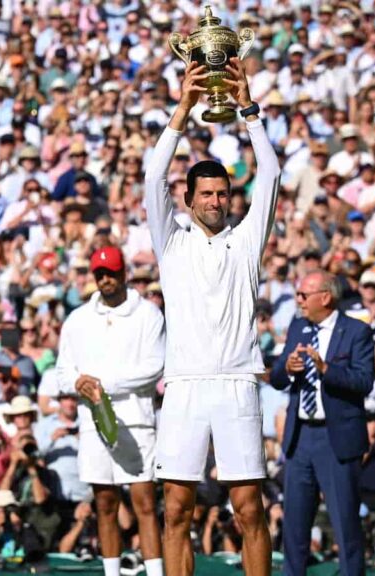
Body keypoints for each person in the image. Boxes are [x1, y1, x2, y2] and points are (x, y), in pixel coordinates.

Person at [143, 57, 279, 576]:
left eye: (223, 193)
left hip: (238, 382)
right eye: (207, 194)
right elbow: (154, 173)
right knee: (176, 508)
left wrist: (248, 107)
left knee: (249, 510)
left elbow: (270, 172)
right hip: (184, 386)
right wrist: (182, 108)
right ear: (189, 199)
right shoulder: (170, 240)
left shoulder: (247, 241)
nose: (217, 201)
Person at [55, 244, 165, 576]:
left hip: (137, 421)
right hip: (92, 423)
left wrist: (104, 384)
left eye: (111, 272)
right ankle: (112, 573)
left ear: (123, 273)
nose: (105, 279)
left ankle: (156, 573)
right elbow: (63, 372)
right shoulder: (78, 319)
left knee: (144, 502)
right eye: (99, 274)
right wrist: (79, 383)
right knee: (104, 503)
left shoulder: (148, 314)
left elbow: (155, 365)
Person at [269, 270, 374, 576]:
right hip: (300, 437)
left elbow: (364, 380)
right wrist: (286, 368)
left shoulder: (356, 331)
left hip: (336, 438)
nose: (298, 301)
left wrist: (326, 369)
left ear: (325, 297)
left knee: (345, 524)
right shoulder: (299, 326)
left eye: (304, 295)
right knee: (295, 525)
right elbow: (276, 378)